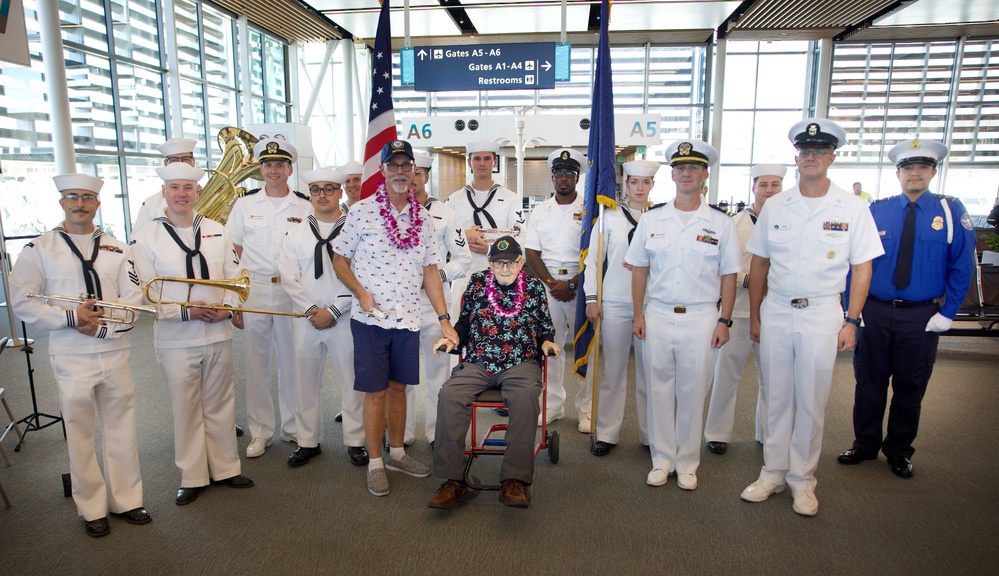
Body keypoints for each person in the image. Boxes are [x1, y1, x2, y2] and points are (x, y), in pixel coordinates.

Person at [739, 118, 883, 516]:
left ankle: (803, 480)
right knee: (776, 396)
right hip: (778, 309)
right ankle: (772, 472)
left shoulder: (852, 208)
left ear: (832, 157)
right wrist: (754, 317)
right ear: (797, 158)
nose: (812, 157)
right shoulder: (778, 205)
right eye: (806, 151)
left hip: (822, 312)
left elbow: (863, 268)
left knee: (812, 399)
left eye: (820, 151)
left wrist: (851, 321)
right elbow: (760, 264)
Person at [10, 173, 150, 538]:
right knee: (80, 432)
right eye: (72, 197)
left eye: (87, 197)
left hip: (114, 349)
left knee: (121, 428)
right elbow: (22, 299)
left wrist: (103, 327)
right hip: (71, 353)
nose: (80, 204)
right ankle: (90, 507)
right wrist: (70, 318)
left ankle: (128, 500)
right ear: (61, 203)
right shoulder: (40, 248)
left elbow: (133, 301)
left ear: (97, 203)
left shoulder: (118, 248)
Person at [837, 138, 975, 478]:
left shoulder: (951, 211)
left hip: (922, 316)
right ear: (898, 174)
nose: (915, 174)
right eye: (908, 168)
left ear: (933, 171)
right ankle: (865, 444)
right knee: (868, 382)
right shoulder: (876, 211)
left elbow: (962, 266)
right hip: (876, 311)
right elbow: (853, 262)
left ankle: (898, 450)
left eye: (922, 167)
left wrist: (948, 312)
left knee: (911, 386)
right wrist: (849, 308)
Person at [332, 139, 458, 497]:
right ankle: (375, 461)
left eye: (407, 166)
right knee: (375, 392)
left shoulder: (425, 219)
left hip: (408, 318)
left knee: (400, 388)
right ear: (383, 170)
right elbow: (339, 258)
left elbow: (431, 270)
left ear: (415, 172)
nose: (401, 172)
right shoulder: (362, 212)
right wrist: (360, 292)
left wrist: (444, 317)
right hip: (371, 319)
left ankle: (398, 453)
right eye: (394, 165)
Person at [131, 163, 254, 506]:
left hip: (216, 331)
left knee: (220, 403)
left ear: (198, 192)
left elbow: (236, 275)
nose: (182, 194)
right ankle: (193, 475)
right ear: (164, 193)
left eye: (188, 187)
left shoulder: (217, 229)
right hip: (176, 337)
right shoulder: (146, 236)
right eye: (175, 188)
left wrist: (228, 307)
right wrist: (185, 309)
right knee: (186, 408)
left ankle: (227, 468)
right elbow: (145, 291)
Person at [625, 140, 741, 492]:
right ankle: (662, 460)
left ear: (705, 174)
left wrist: (725, 320)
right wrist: (638, 315)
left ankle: (688, 461)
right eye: (680, 168)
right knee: (658, 388)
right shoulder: (652, 219)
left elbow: (730, 276)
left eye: (693, 168)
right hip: (657, 313)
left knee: (692, 391)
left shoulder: (721, 223)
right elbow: (639, 270)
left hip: (702, 316)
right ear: (672, 175)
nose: (686, 173)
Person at [428, 236, 558, 509]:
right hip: (479, 361)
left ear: (521, 262)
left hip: (520, 361)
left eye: (511, 262)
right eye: (498, 263)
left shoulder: (534, 287)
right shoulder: (477, 283)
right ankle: (455, 480)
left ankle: (514, 480)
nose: (505, 269)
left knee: (524, 399)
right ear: (489, 262)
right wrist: (452, 339)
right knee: (449, 394)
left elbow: (545, 325)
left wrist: (546, 341)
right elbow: (464, 322)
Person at [226, 138, 313, 458]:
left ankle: (291, 427)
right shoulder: (245, 205)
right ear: (259, 169)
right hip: (255, 290)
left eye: (279, 164)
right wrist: (234, 299)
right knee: (256, 363)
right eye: (267, 165)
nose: (273, 170)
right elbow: (233, 252)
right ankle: (260, 431)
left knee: (293, 362)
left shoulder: (304, 206)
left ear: (290, 169)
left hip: (291, 290)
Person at [278, 167, 368, 467]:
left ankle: (355, 440)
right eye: (316, 190)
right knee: (305, 381)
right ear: (310, 195)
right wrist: (310, 310)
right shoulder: (296, 233)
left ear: (340, 192)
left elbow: (362, 277)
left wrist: (333, 310)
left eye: (329, 189)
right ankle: (307, 441)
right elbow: (288, 276)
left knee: (352, 381)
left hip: (345, 318)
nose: (322, 195)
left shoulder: (357, 230)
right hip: (307, 320)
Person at [703, 164, 786, 455]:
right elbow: (723, 269)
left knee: (773, 378)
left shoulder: (787, 221)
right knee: (726, 374)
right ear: (754, 188)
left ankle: (767, 432)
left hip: (775, 312)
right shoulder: (735, 224)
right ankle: (717, 432)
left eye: (775, 185)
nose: (770, 190)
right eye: (764, 185)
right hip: (737, 311)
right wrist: (752, 279)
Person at [583, 159, 656, 455]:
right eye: (634, 182)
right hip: (614, 301)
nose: (640, 188)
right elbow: (592, 262)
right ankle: (607, 433)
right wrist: (591, 298)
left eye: (646, 182)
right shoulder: (608, 217)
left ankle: (652, 434)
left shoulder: (663, 217)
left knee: (651, 372)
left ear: (653, 185)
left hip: (652, 304)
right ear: (625, 184)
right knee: (612, 372)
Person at [404, 153, 472, 445]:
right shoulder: (388, 212)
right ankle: (401, 436)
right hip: (399, 306)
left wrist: (436, 277)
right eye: (408, 171)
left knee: (437, 375)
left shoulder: (445, 213)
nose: (413, 178)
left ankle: (436, 435)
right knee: (402, 377)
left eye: (419, 173)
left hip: (436, 309)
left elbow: (463, 259)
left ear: (426, 176)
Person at [523, 148, 588, 428]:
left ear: (577, 177)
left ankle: (586, 409)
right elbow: (531, 253)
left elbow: (597, 253)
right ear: (552, 177)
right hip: (549, 288)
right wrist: (552, 284)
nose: (564, 178)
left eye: (569, 174)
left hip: (582, 287)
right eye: (559, 173)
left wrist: (573, 283)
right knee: (551, 349)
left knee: (587, 348)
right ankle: (552, 406)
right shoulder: (540, 212)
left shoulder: (589, 210)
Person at [444, 140, 525, 319]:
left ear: (494, 162)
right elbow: (442, 237)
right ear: (469, 162)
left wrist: (490, 248)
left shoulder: (511, 198)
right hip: (462, 273)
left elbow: (520, 236)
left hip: (500, 273)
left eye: (487, 159)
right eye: (477, 159)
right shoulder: (455, 199)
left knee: (498, 328)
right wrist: (465, 236)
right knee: (458, 325)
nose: (482, 163)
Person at [132, 137, 198, 235]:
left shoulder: (213, 196)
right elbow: (137, 240)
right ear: (166, 163)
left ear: (193, 162)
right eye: (174, 160)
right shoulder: (150, 204)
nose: (180, 163)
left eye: (185, 159)